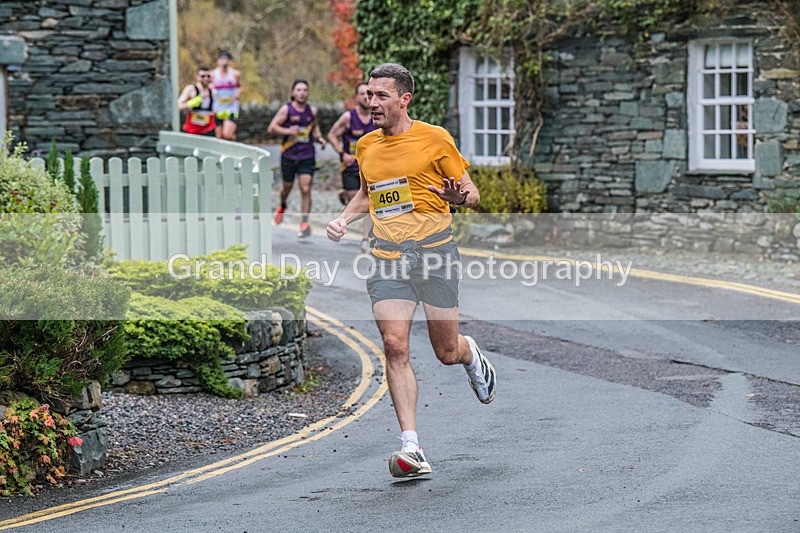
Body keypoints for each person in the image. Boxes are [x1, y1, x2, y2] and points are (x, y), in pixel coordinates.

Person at [325, 63, 496, 478]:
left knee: (445, 351)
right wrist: (345, 219)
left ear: (404, 99)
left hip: (435, 254)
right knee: (394, 345)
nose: (372, 102)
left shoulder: (435, 139)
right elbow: (369, 194)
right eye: (369, 94)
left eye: (381, 95)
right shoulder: (366, 146)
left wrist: (460, 196)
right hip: (388, 257)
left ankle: (470, 354)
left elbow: (471, 192)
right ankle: (412, 447)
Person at [268, 79, 326, 238]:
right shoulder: (286, 110)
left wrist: (320, 138)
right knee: (287, 187)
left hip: (307, 155)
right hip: (289, 155)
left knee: (306, 188)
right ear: (293, 93)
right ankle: (282, 206)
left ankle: (304, 222)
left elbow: (314, 129)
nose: (302, 93)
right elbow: (272, 127)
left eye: (305, 90)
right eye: (299, 90)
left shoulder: (312, 111)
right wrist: (288, 131)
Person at [326, 83, 377, 253]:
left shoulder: (377, 116)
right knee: (353, 197)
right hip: (351, 166)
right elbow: (332, 134)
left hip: (371, 167)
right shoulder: (349, 117)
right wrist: (342, 153)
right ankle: (346, 198)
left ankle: (365, 238)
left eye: (368, 94)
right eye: (362, 94)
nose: (365, 97)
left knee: (369, 202)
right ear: (356, 97)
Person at [177, 66, 216, 136]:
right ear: (197, 76)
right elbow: (177, 106)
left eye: (208, 76)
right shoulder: (191, 89)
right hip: (192, 130)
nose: (206, 78)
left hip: (207, 130)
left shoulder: (212, 91)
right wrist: (190, 103)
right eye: (203, 76)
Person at [212, 50, 241, 141]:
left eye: (226, 59)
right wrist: (212, 91)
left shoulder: (235, 74)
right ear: (218, 61)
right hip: (218, 108)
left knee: (227, 135)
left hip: (230, 108)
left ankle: (235, 145)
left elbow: (240, 86)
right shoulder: (213, 74)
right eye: (222, 59)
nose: (224, 62)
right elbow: (209, 86)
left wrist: (237, 93)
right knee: (219, 136)